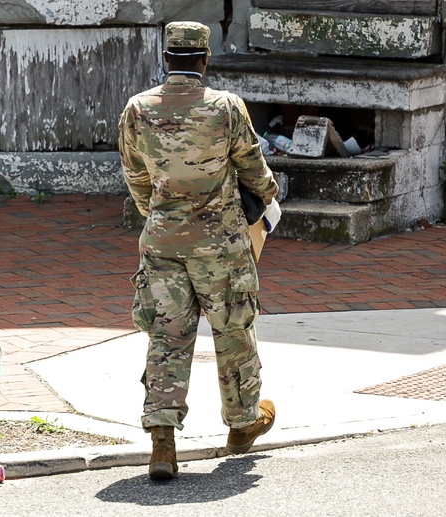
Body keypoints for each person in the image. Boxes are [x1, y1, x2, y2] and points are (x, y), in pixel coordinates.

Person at [117, 21, 280, 481]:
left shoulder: (137, 109)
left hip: (164, 242)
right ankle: (244, 423)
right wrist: (268, 195)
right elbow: (252, 166)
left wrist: (161, 215)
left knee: (167, 338)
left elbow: (136, 177)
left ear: (166, 58)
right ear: (204, 59)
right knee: (233, 332)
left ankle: (163, 443)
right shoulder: (226, 108)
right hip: (221, 247)